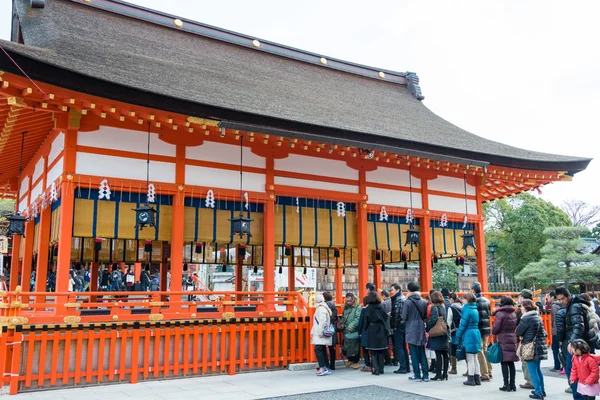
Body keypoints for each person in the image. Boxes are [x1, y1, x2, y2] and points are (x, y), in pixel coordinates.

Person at [556, 286, 598, 400]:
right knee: (582, 372)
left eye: (562, 299)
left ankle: (581, 397)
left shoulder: (574, 306)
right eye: (558, 299)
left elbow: (578, 326)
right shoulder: (575, 304)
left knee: (575, 371)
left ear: (568, 296)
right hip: (583, 343)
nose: (561, 302)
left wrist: (572, 343)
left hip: (578, 345)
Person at [516, 299, 548, 399]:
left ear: (526, 307)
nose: (520, 308)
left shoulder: (526, 318)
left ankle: (538, 392)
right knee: (538, 370)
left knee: (533, 371)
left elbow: (518, 331)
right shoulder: (537, 316)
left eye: (521, 306)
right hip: (539, 346)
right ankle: (542, 390)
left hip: (531, 347)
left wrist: (522, 336)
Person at [402, 281, 429, 382]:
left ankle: (417, 374)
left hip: (411, 326)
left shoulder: (407, 302)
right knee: (422, 351)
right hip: (421, 326)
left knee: (413, 351)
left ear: (409, 290)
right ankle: (425, 375)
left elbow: (404, 317)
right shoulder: (422, 301)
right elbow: (425, 315)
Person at [492, 296, 519, 392]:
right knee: (511, 362)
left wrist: (494, 333)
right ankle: (513, 384)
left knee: (504, 362)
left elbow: (496, 328)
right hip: (512, 337)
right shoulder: (514, 313)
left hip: (503, 338)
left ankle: (506, 384)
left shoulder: (500, 313)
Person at [456, 292, 482, 386]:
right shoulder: (475, 309)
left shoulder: (467, 310)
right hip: (476, 333)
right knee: (475, 357)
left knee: (470, 358)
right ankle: (477, 378)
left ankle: (470, 379)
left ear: (467, 300)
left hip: (469, 334)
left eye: (464, 298)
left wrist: (458, 335)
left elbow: (463, 324)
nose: (462, 300)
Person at [364, 291, 389, 375]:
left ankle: (376, 369)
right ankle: (381, 368)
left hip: (372, 329)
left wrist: (365, 328)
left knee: (373, 351)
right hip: (381, 328)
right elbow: (385, 317)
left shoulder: (368, 308)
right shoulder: (381, 306)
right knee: (381, 350)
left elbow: (365, 321)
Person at [426, 291, 449, 381]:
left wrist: (428, 327)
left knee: (438, 354)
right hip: (444, 331)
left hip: (437, 332)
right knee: (445, 354)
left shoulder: (434, 307)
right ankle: (445, 374)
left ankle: (438, 373)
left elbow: (434, 318)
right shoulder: (443, 307)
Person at [471, 281, 492, 381]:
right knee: (485, 349)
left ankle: (484, 374)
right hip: (487, 328)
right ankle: (489, 371)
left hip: (478, 328)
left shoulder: (474, 301)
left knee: (479, 351)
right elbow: (489, 314)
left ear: (473, 290)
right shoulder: (487, 300)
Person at [517, 289, 536, 389]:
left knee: (526, 360)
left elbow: (519, 327)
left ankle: (530, 381)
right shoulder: (534, 308)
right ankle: (533, 381)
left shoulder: (524, 310)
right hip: (533, 339)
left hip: (527, 339)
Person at [311, 292, 333, 376]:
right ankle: (325, 366)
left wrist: (320, 332)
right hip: (321, 331)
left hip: (320, 332)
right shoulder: (324, 307)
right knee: (322, 349)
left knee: (318, 349)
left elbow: (322, 321)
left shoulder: (320, 309)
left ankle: (323, 367)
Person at [390, 283, 410, 374]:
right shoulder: (403, 298)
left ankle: (403, 367)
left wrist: (394, 325)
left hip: (399, 326)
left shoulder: (398, 300)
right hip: (404, 325)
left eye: (392, 290)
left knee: (399, 346)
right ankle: (406, 366)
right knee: (403, 346)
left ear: (397, 290)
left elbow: (398, 315)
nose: (391, 292)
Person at [342, 293, 362, 369]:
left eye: (350, 301)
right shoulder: (345, 307)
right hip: (346, 329)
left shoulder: (358, 306)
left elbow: (357, 318)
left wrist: (351, 326)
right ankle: (349, 359)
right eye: (347, 301)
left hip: (354, 329)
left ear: (353, 299)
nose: (348, 302)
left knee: (355, 346)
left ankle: (355, 361)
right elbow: (344, 317)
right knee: (347, 346)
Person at [447, 292, 463, 375]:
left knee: (453, 348)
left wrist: (448, 329)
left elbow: (449, 321)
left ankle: (454, 368)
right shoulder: (462, 307)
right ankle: (468, 369)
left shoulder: (451, 308)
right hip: (462, 330)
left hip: (454, 330)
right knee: (464, 348)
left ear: (452, 299)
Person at [548, 290, 564, 372]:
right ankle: (562, 366)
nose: (547, 298)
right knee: (562, 349)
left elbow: (555, 319)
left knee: (555, 348)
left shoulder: (554, 306)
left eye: (548, 296)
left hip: (556, 331)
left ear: (552, 297)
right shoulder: (561, 304)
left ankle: (557, 365)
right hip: (561, 330)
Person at [323, 291, 338, 371]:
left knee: (323, 346)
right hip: (332, 327)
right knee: (332, 347)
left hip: (325, 327)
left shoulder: (324, 305)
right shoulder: (333, 305)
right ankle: (332, 364)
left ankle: (325, 364)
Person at [357, 296, 372, 372]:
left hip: (365, 332)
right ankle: (374, 364)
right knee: (373, 350)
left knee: (365, 350)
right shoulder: (375, 308)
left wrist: (359, 332)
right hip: (373, 332)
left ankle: (367, 365)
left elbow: (361, 322)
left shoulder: (364, 310)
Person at [381, 290, 393, 365]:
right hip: (394, 326)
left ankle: (388, 359)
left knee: (386, 344)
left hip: (386, 326)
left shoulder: (384, 304)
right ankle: (396, 359)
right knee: (395, 344)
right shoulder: (393, 302)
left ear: (384, 296)